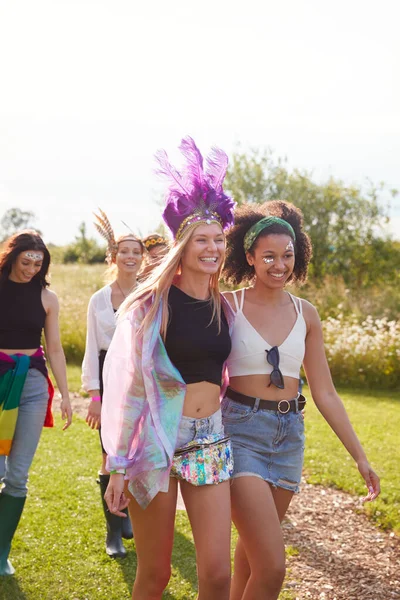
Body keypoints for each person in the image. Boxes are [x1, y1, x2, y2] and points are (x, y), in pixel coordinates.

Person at [221, 201, 381, 600]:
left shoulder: (306, 313)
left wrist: (359, 457)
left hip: (289, 435)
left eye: (287, 255)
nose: (279, 265)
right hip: (240, 432)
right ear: (250, 257)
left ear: (299, 254)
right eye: (269, 256)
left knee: (252, 557)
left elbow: (325, 391)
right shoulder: (227, 306)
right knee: (273, 568)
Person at [101, 137, 236, 600]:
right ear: (182, 244)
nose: (213, 248)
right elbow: (127, 387)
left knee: (218, 574)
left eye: (219, 239)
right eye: (202, 240)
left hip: (209, 439)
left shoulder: (224, 306)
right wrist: (117, 466)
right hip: (154, 443)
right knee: (155, 575)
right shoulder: (148, 306)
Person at [0, 230, 72, 576]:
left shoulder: (47, 298)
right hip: (0, 381)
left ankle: (2, 552)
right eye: (26, 260)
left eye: (38, 263)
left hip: (32, 384)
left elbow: (55, 349)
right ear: (12, 256)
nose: (31, 268)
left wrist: (66, 395)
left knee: (17, 476)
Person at [82, 209, 144, 558]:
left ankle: (129, 513)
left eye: (137, 251)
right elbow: (92, 347)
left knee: (135, 453)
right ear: (113, 257)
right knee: (110, 456)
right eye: (125, 251)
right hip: (108, 374)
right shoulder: (98, 300)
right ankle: (113, 534)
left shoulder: (150, 294)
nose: (131, 256)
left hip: (139, 376)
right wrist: (94, 395)